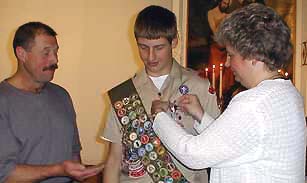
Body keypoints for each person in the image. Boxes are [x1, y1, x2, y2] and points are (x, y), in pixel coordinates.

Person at [152, 3, 306, 183]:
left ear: (254, 56)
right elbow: (238, 142)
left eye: (231, 55)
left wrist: (159, 116)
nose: (226, 63)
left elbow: (193, 154)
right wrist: (200, 116)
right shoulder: (286, 94)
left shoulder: (253, 104)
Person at [101, 5, 220, 183]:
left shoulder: (200, 87)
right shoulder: (123, 95)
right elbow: (114, 160)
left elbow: (217, 146)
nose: (150, 56)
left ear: (174, 42)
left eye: (158, 47)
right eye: (143, 47)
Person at [0, 22, 103, 183]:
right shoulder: (3, 101)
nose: (54, 60)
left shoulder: (62, 95)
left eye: (55, 52)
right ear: (22, 54)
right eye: (46, 53)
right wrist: (58, 170)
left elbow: (74, 155)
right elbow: (4, 174)